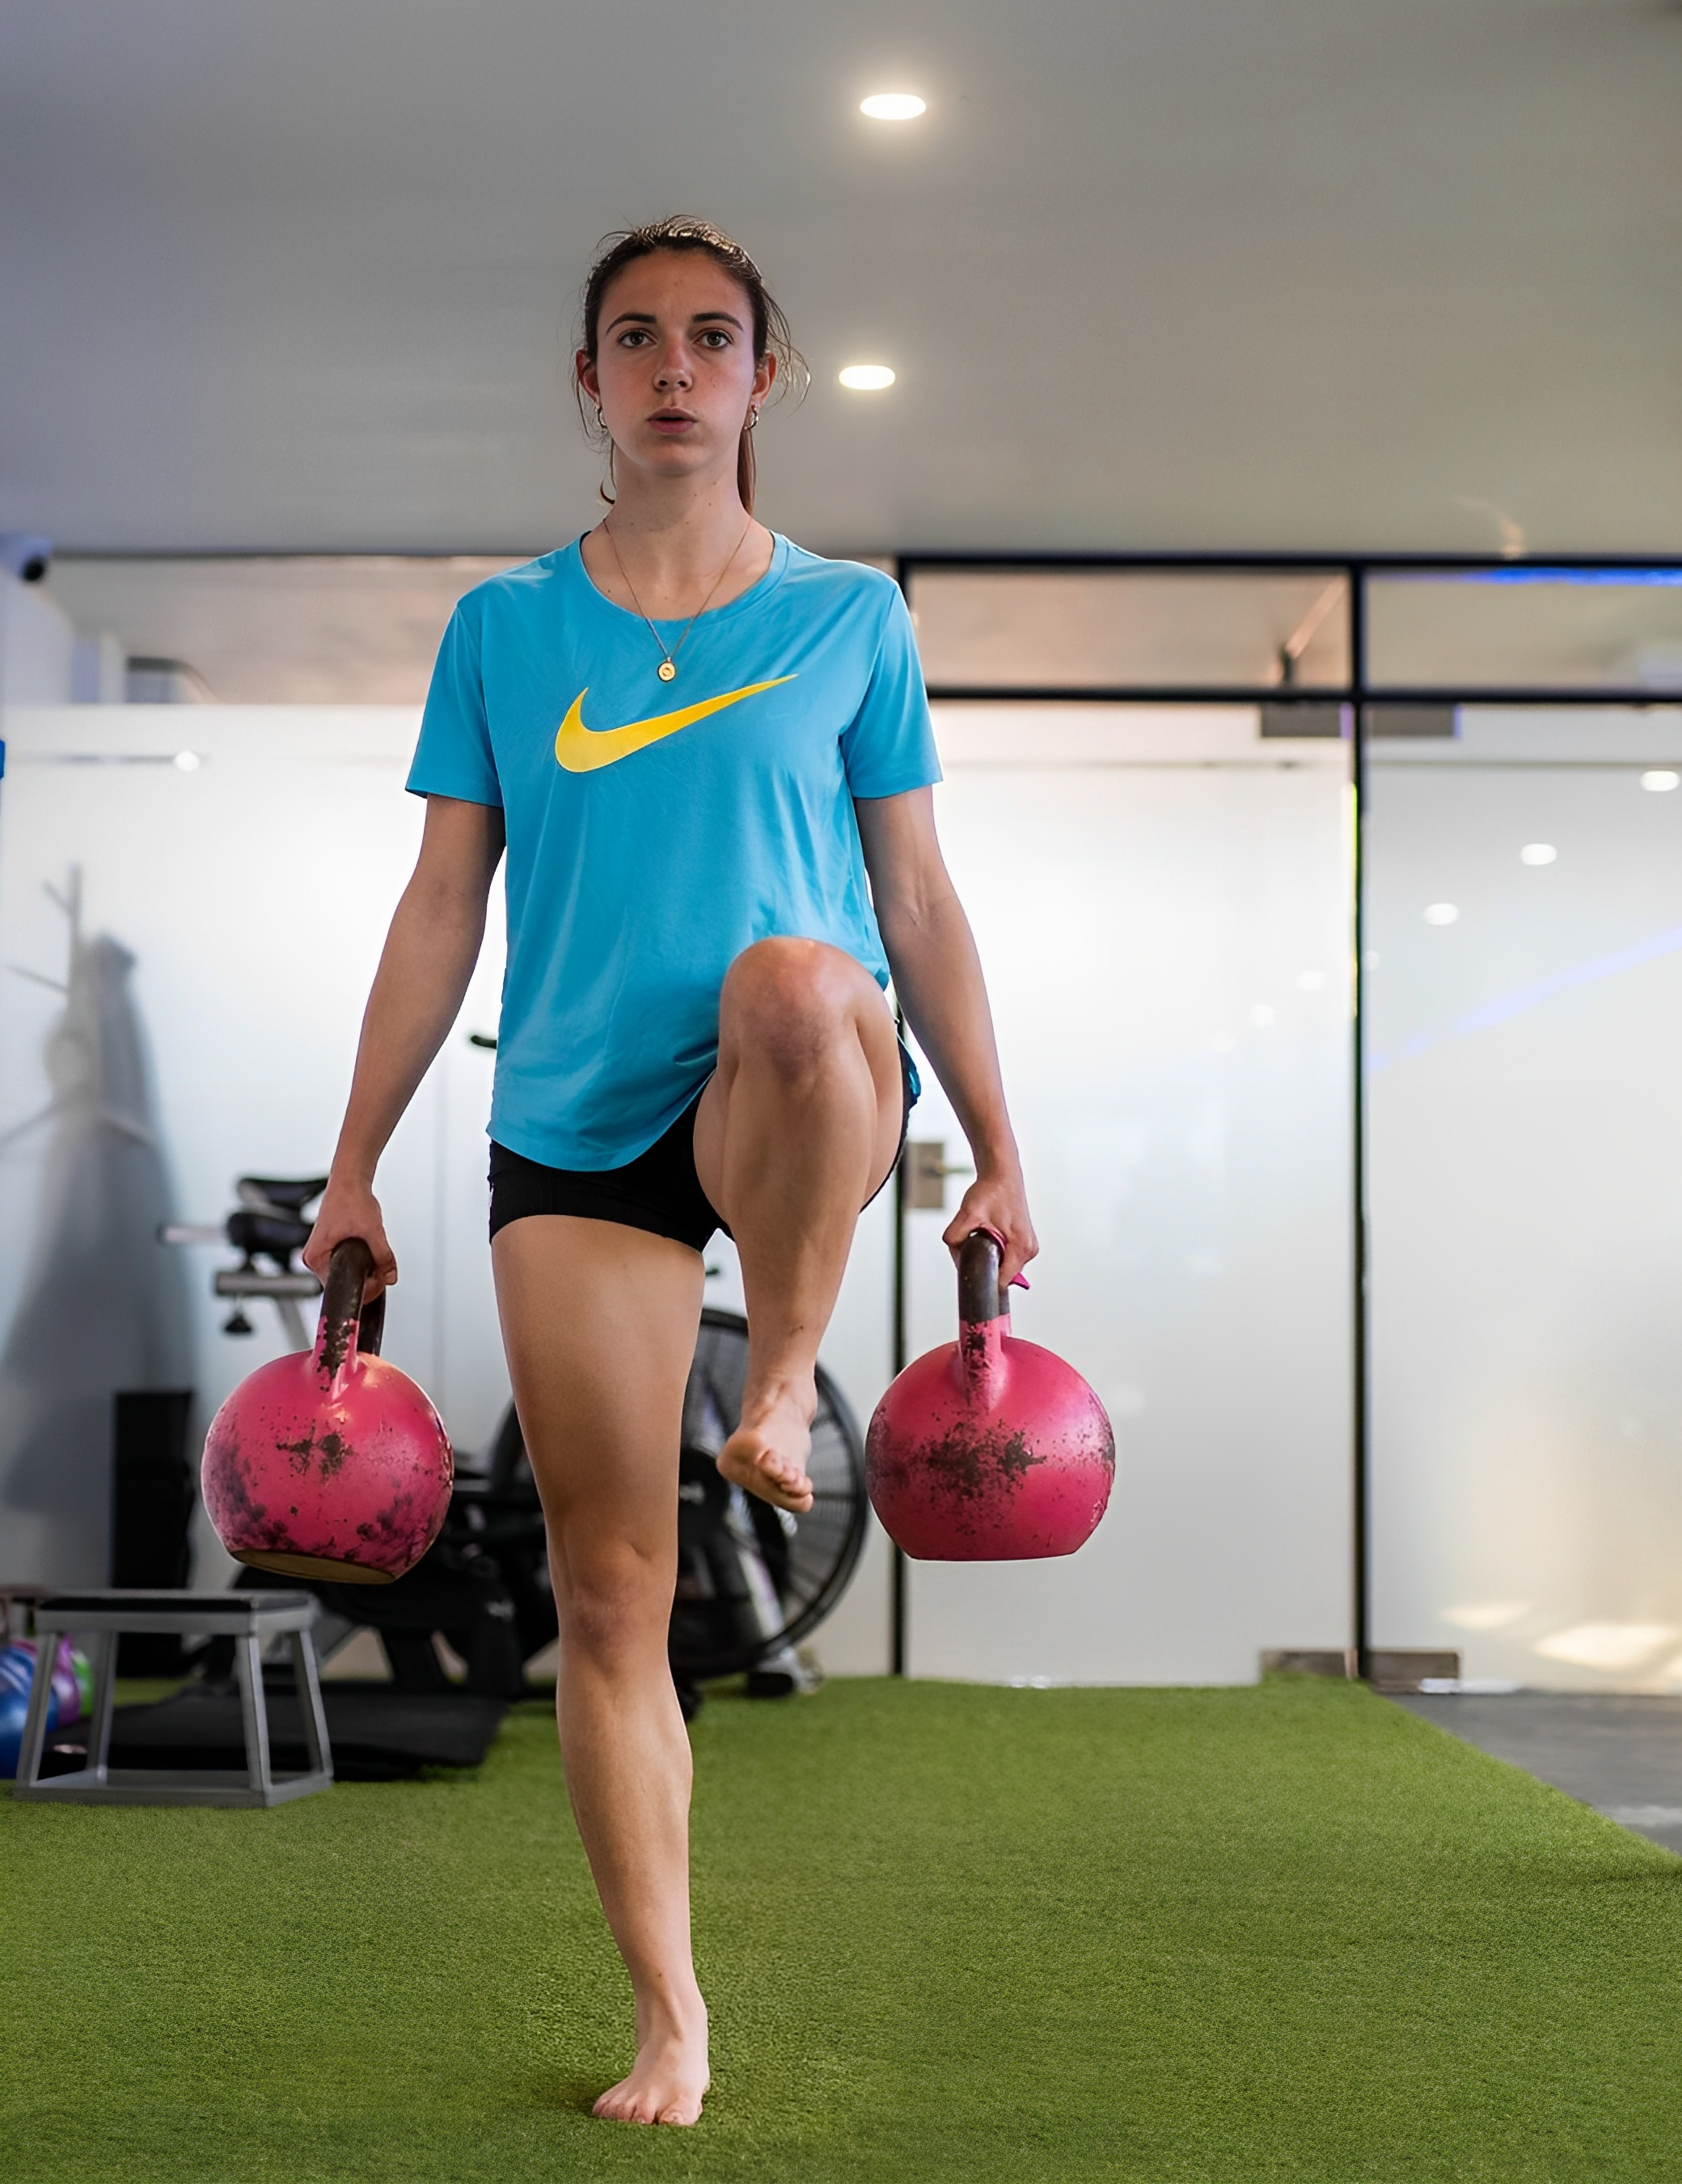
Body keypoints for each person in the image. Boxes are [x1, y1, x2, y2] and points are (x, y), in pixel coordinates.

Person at [302, 217, 1037, 2129]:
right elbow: (441, 904)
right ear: (592, 382)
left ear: (760, 376)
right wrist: (354, 1165)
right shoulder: (506, 630)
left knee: (794, 978)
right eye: (635, 339)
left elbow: (916, 901)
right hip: (576, 1124)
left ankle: (781, 1382)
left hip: (799, 1090)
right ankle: (670, 2013)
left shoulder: (850, 618)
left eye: (712, 337)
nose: (674, 368)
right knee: (611, 1596)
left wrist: (1001, 1148)